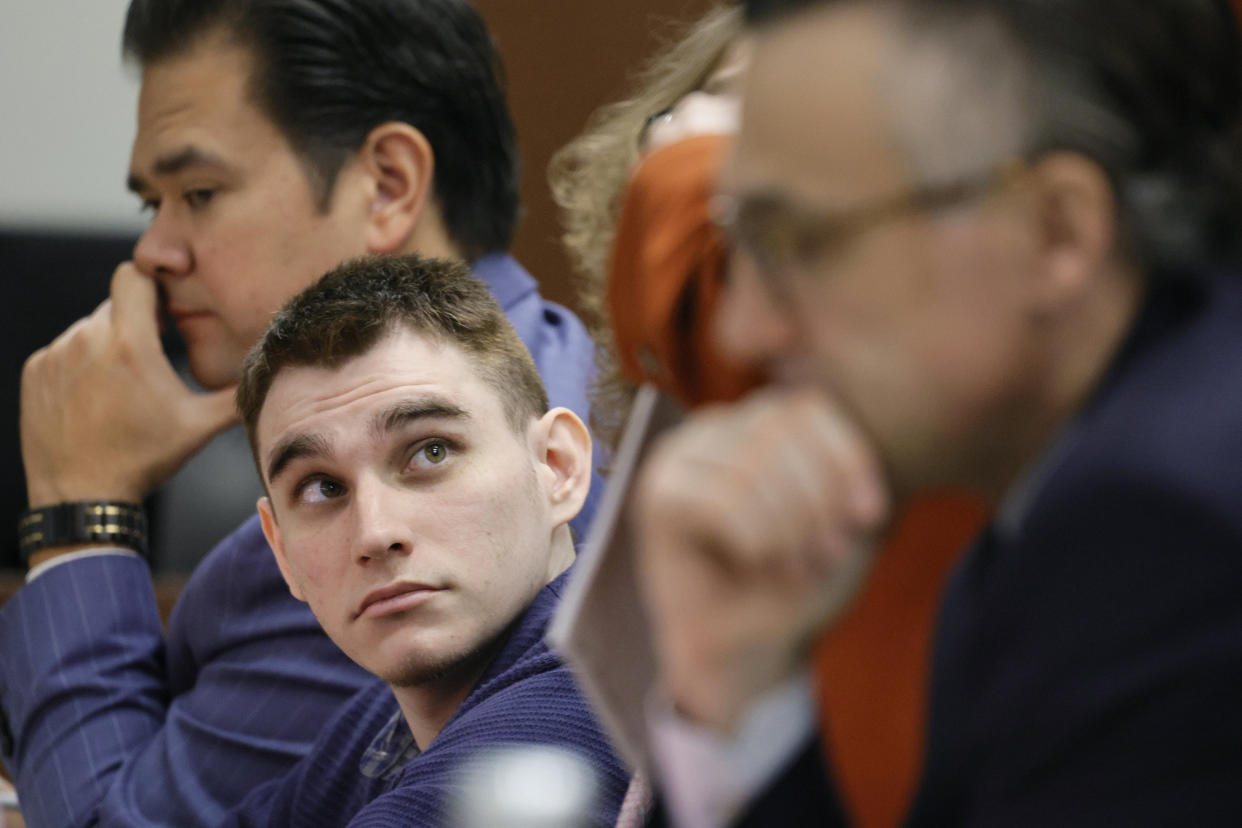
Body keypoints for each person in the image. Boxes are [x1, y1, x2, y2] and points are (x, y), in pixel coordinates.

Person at [629, 0, 1242, 824]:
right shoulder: (1082, 483)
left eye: (796, 241)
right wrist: (740, 690)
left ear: (1057, 232)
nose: (745, 327)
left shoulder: (1155, 532)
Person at [0, 1, 599, 826]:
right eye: (319, 487)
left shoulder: (444, 583)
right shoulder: (554, 365)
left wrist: (81, 502)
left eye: (199, 192)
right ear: (280, 540)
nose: (152, 253)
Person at [216, 253, 627, 826]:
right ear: (280, 549)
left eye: (430, 452)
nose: (376, 532)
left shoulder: (594, 698)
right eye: (321, 487)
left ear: (557, 467)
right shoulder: (388, 715)